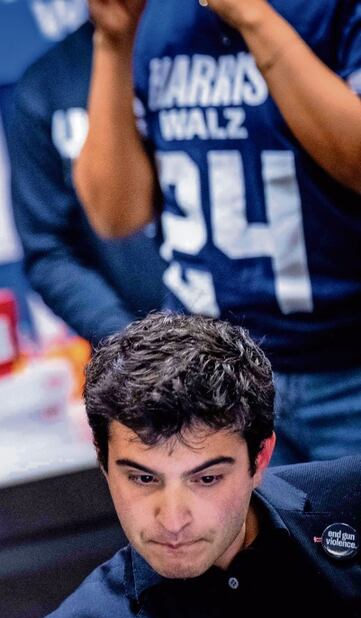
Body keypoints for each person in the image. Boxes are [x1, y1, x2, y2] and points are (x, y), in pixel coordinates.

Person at [74, 0, 361, 463]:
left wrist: (253, 16)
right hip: (212, 375)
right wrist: (113, 41)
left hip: (347, 368)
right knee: (236, 537)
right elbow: (115, 214)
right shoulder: (153, 17)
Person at [27, 312, 361, 618]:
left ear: (260, 458)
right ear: (103, 461)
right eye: (143, 478)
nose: (172, 521)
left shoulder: (351, 501)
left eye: (206, 479)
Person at [5, 20, 164, 346]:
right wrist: (134, 346)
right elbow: (50, 252)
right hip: (142, 361)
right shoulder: (45, 87)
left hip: (259, 339)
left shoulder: (217, 42)